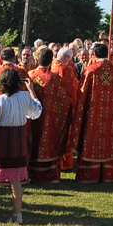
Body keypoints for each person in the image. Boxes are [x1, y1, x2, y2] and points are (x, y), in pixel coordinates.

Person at [0, 68, 42, 224]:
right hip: (18, 140)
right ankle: (17, 215)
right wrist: (31, 91)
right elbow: (36, 111)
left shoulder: (0, 100)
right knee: (15, 180)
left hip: (2, 140)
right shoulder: (25, 96)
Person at [70, 43, 113, 183]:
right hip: (112, 115)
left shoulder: (90, 70)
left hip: (94, 115)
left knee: (92, 140)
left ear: (95, 55)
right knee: (109, 140)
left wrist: (81, 110)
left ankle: (89, 175)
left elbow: (82, 94)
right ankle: (108, 175)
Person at [27, 48, 75, 183]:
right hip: (49, 120)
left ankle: (29, 171)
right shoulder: (56, 80)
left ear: (36, 60)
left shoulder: (29, 76)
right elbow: (67, 102)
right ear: (51, 61)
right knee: (48, 141)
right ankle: (49, 174)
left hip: (31, 119)